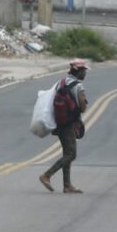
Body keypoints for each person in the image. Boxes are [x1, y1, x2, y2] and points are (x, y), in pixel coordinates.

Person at [39, 59, 89, 194]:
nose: (85, 73)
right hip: (69, 123)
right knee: (71, 154)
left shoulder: (62, 81)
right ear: (78, 72)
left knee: (67, 153)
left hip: (59, 121)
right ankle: (46, 175)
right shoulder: (78, 86)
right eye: (84, 71)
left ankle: (67, 185)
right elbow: (83, 108)